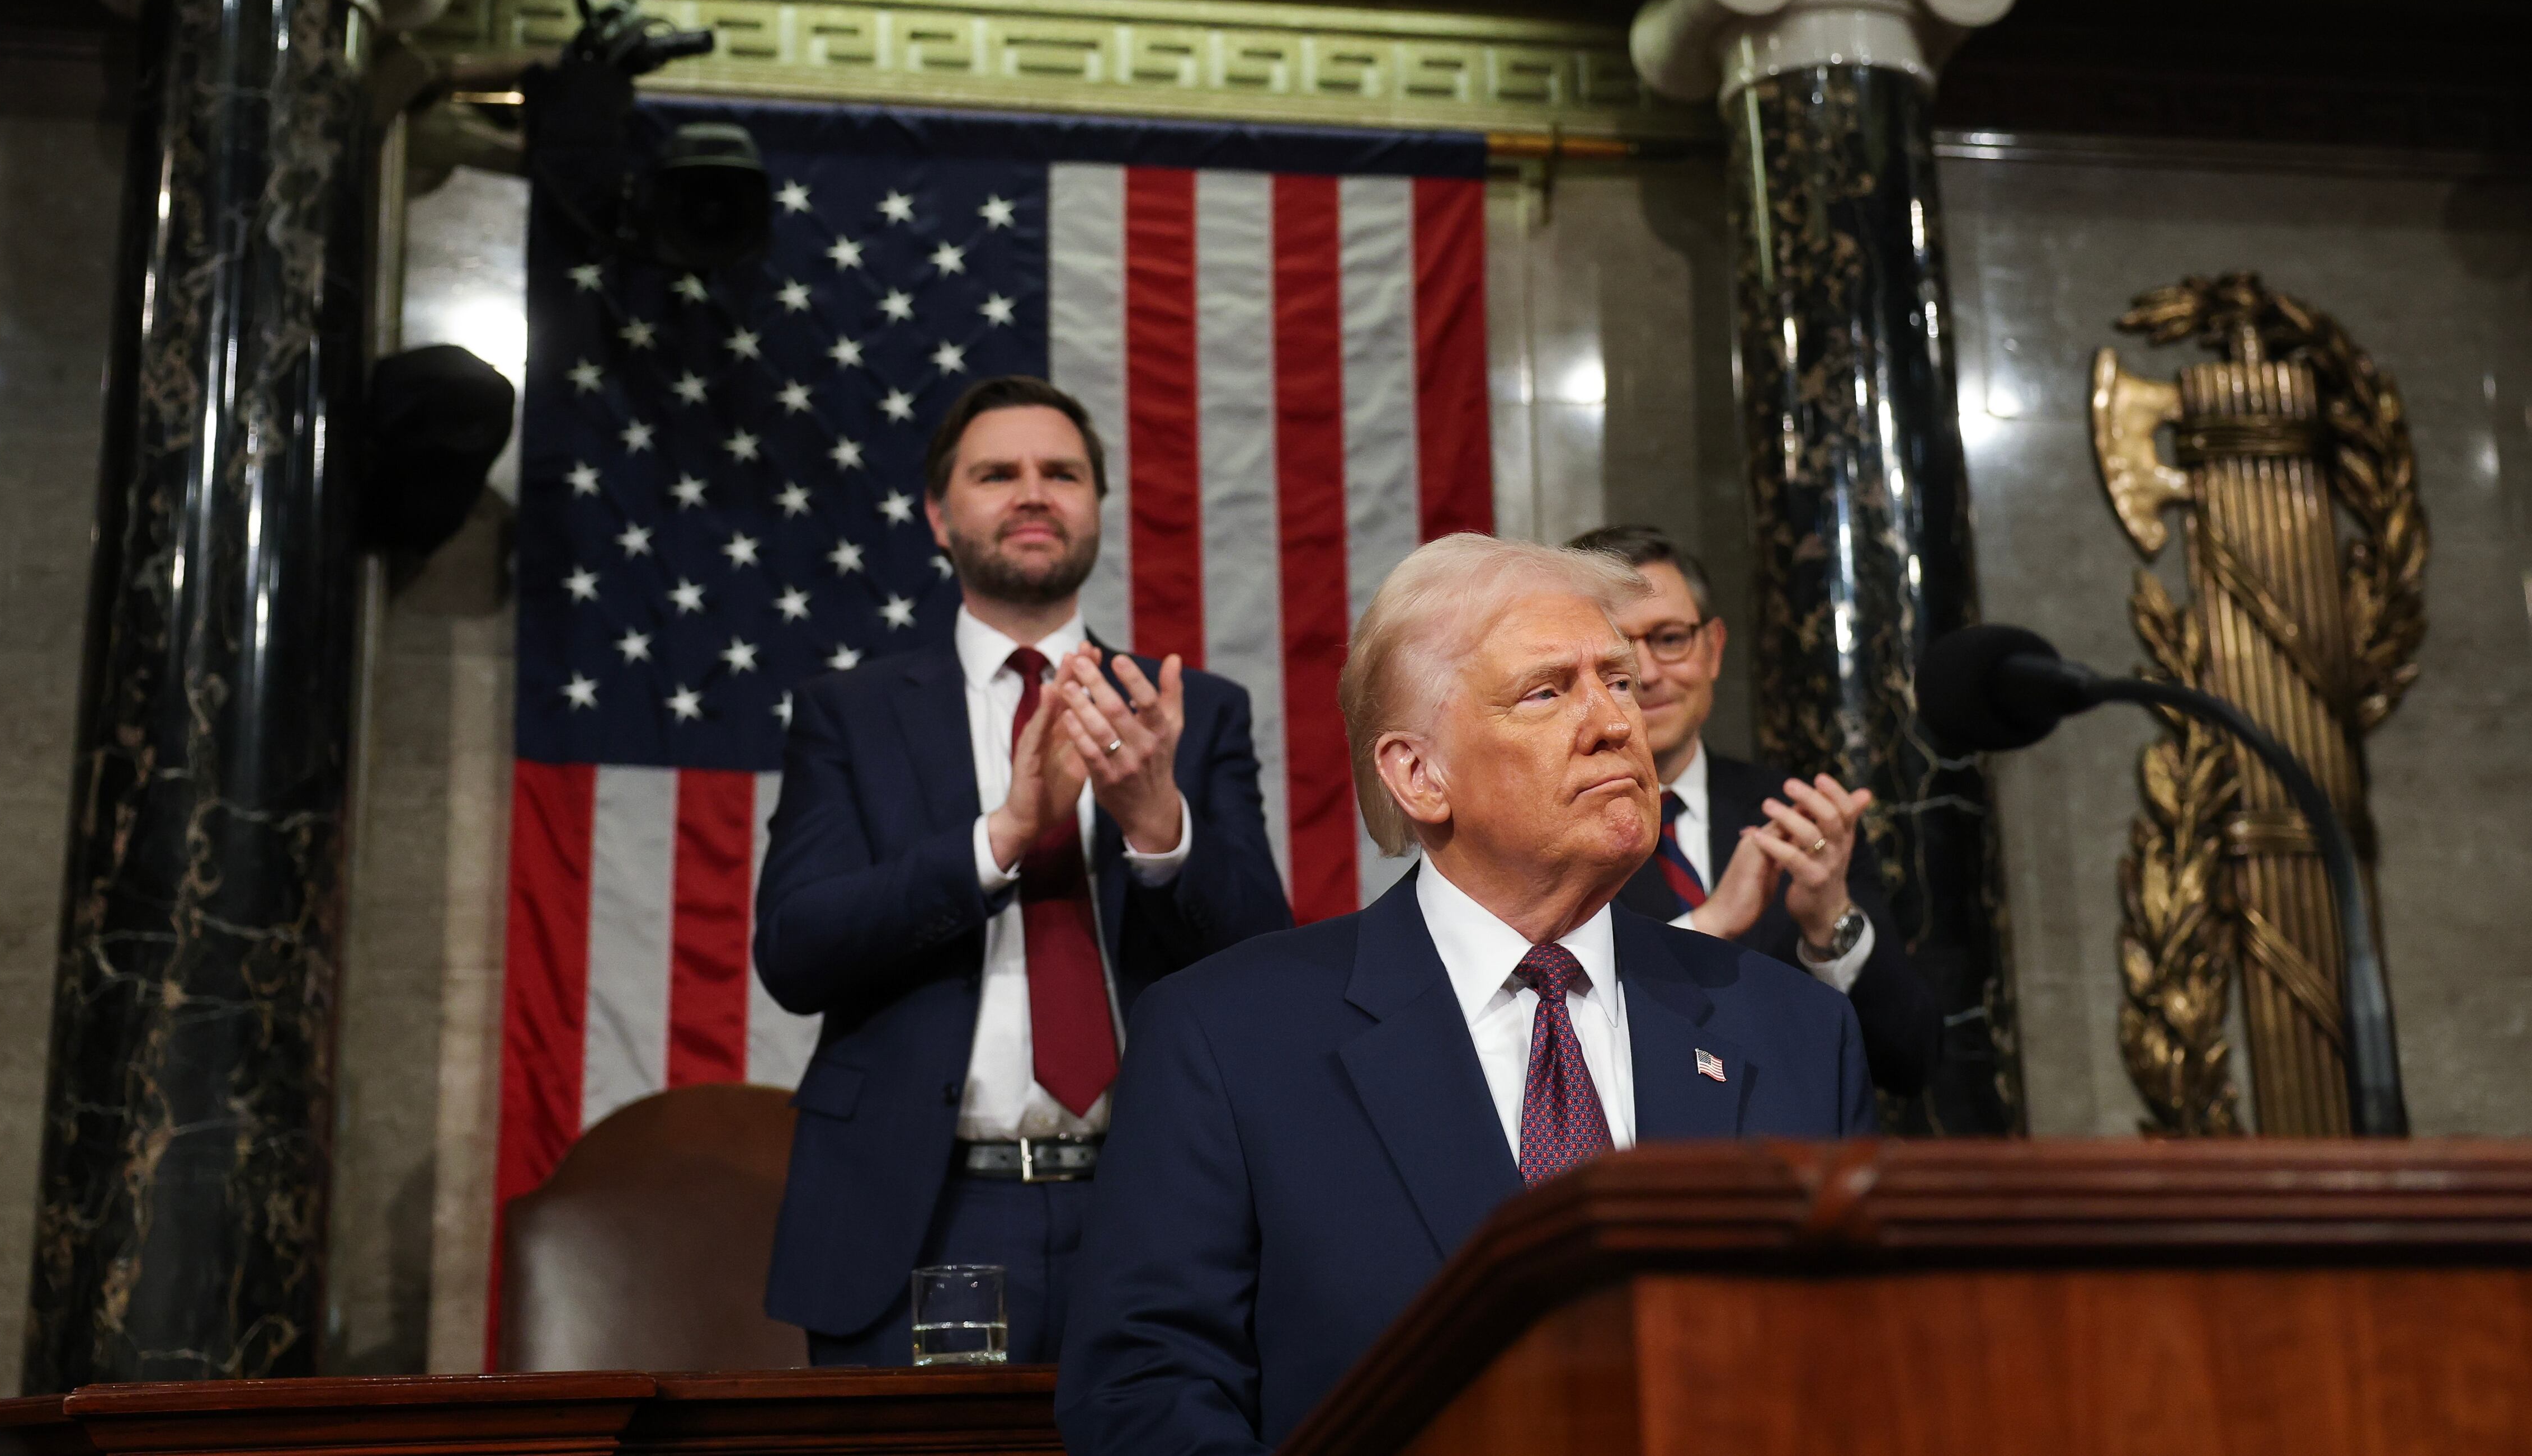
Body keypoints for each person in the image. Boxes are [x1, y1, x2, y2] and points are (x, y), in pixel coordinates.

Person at [1057, 535, 1869, 1455]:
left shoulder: (1796, 1027)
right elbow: (1144, 1391)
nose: (1615, 722)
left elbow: (1871, 1365)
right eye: (1549, 690)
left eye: (1619, 681)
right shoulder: (1227, 1036)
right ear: (1419, 774)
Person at [753, 375, 1292, 1366]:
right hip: (922, 1211)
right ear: (937, 515)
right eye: (998, 473)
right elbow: (795, 948)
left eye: (1063, 473)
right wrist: (999, 835)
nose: (1034, 492)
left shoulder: (1190, 710)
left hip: (1154, 1199)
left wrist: (1157, 825)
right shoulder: (852, 713)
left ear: (1097, 507)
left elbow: (1268, 960)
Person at [1566, 524, 1943, 1099]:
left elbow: (1910, 1060)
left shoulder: (1797, 816)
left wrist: (1829, 927)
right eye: (1616, 649)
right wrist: (1710, 924)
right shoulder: (1541, 829)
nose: (1646, 673)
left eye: (1669, 638)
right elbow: (1549, 1030)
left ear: (1713, 649)